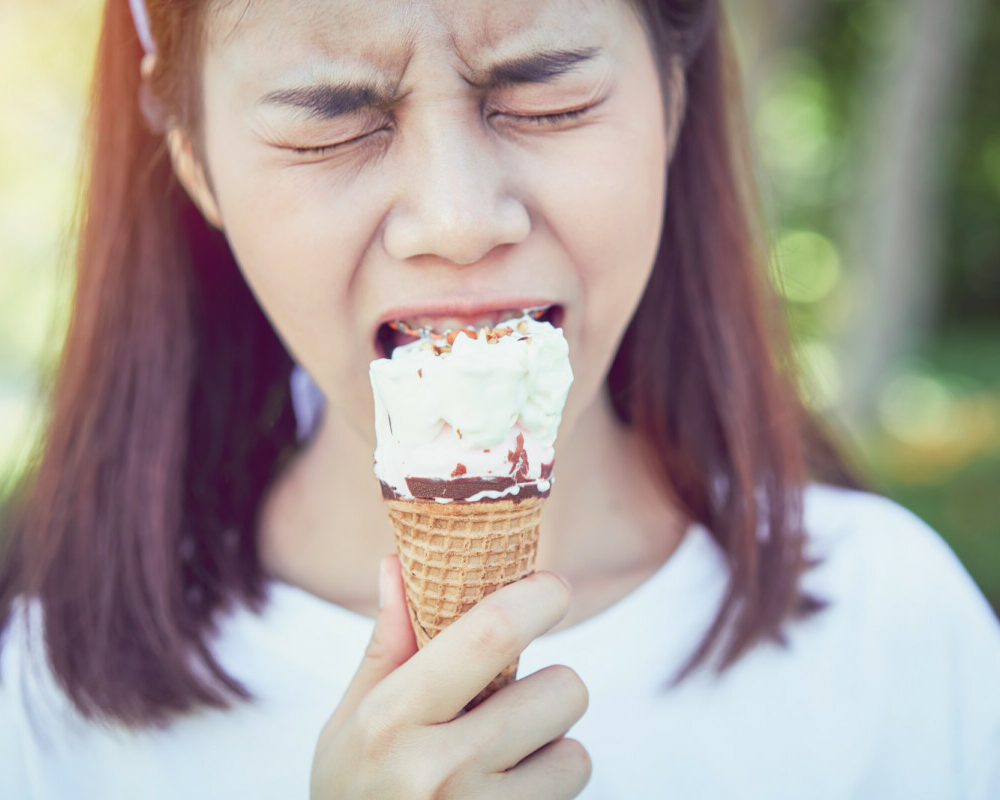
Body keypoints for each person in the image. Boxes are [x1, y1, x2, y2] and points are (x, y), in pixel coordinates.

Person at [1, 0, 998, 797]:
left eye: (549, 102)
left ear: (673, 93)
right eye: (333, 122)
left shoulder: (895, 632)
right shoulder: (44, 704)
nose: (458, 218)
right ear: (194, 158)